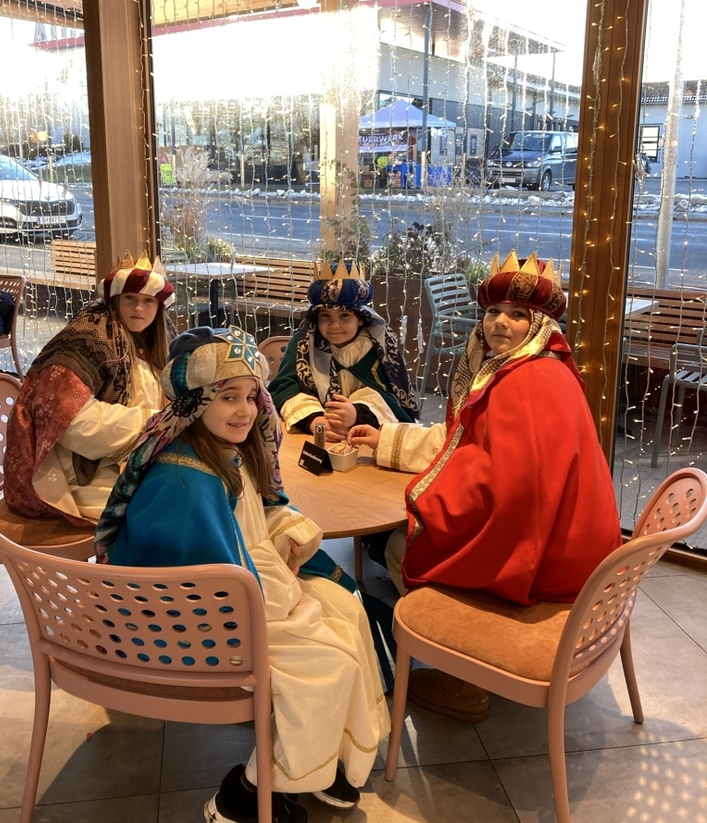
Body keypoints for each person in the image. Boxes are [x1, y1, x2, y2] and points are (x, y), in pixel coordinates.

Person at [94, 326, 390, 823]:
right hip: (189, 623)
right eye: (228, 397)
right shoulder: (185, 478)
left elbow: (252, 518)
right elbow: (212, 586)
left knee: (349, 609)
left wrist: (289, 533)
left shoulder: (222, 452)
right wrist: (292, 594)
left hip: (245, 585)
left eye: (252, 396)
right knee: (328, 663)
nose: (246, 411)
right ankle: (246, 793)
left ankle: (320, 762)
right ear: (194, 402)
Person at [349, 250, 622, 721]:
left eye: (518, 314)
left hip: (548, 566)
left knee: (402, 545)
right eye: (494, 311)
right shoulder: (542, 368)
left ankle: (462, 678)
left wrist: (431, 498)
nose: (500, 323)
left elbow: (513, 491)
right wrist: (387, 441)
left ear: (540, 325)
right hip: (583, 554)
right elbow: (467, 442)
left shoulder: (524, 382)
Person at [3, 251, 175, 525]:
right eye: (130, 298)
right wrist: (153, 422)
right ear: (115, 299)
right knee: (166, 504)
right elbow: (71, 421)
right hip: (74, 469)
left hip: (128, 455)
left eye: (148, 301)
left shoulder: (157, 337)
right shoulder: (89, 335)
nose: (139, 308)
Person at [268, 260, 419, 444]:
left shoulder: (378, 348)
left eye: (344, 315)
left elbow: (391, 397)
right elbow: (284, 388)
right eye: (325, 316)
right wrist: (314, 420)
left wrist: (357, 413)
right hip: (316, 436)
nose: (334, 325)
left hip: (366, 437)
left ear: (361, 318)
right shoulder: (303, 344)